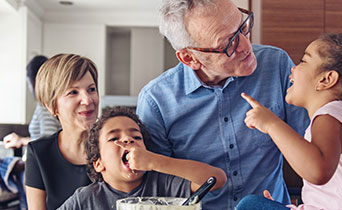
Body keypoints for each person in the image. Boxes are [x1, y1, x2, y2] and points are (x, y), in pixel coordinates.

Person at [136, 0, 309, 209]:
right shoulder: (156, 102)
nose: (246, 46)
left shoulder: (277, 65)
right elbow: (160, 186)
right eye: (228, 44)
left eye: (242, 28)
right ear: (190, 58)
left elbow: (312, 149)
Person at [238, 29, 342, 209]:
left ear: (326, 79)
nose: (293, 68)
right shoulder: (339, 115)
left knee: (250, 205)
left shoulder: (330, 116)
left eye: (303, 61)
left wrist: (271, 123)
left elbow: (317, 172)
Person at [57, 106, 227, 210]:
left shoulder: (164, 185)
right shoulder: (86, 199)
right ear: (99, 164)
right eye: (114, 138)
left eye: (137, 137)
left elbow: (217, 179)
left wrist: (155, 161)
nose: (128, 140)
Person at [25, 54, 99, 210]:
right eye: (73, 92)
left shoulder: (115, 146)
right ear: (52, 106)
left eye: (91, 89)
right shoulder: (38, 153)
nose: (87, 100)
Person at [3, 55, 61, 149]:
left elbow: (48, 139)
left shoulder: (45, 105)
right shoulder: (50, 102)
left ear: (34, 80)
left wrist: (22, 140)